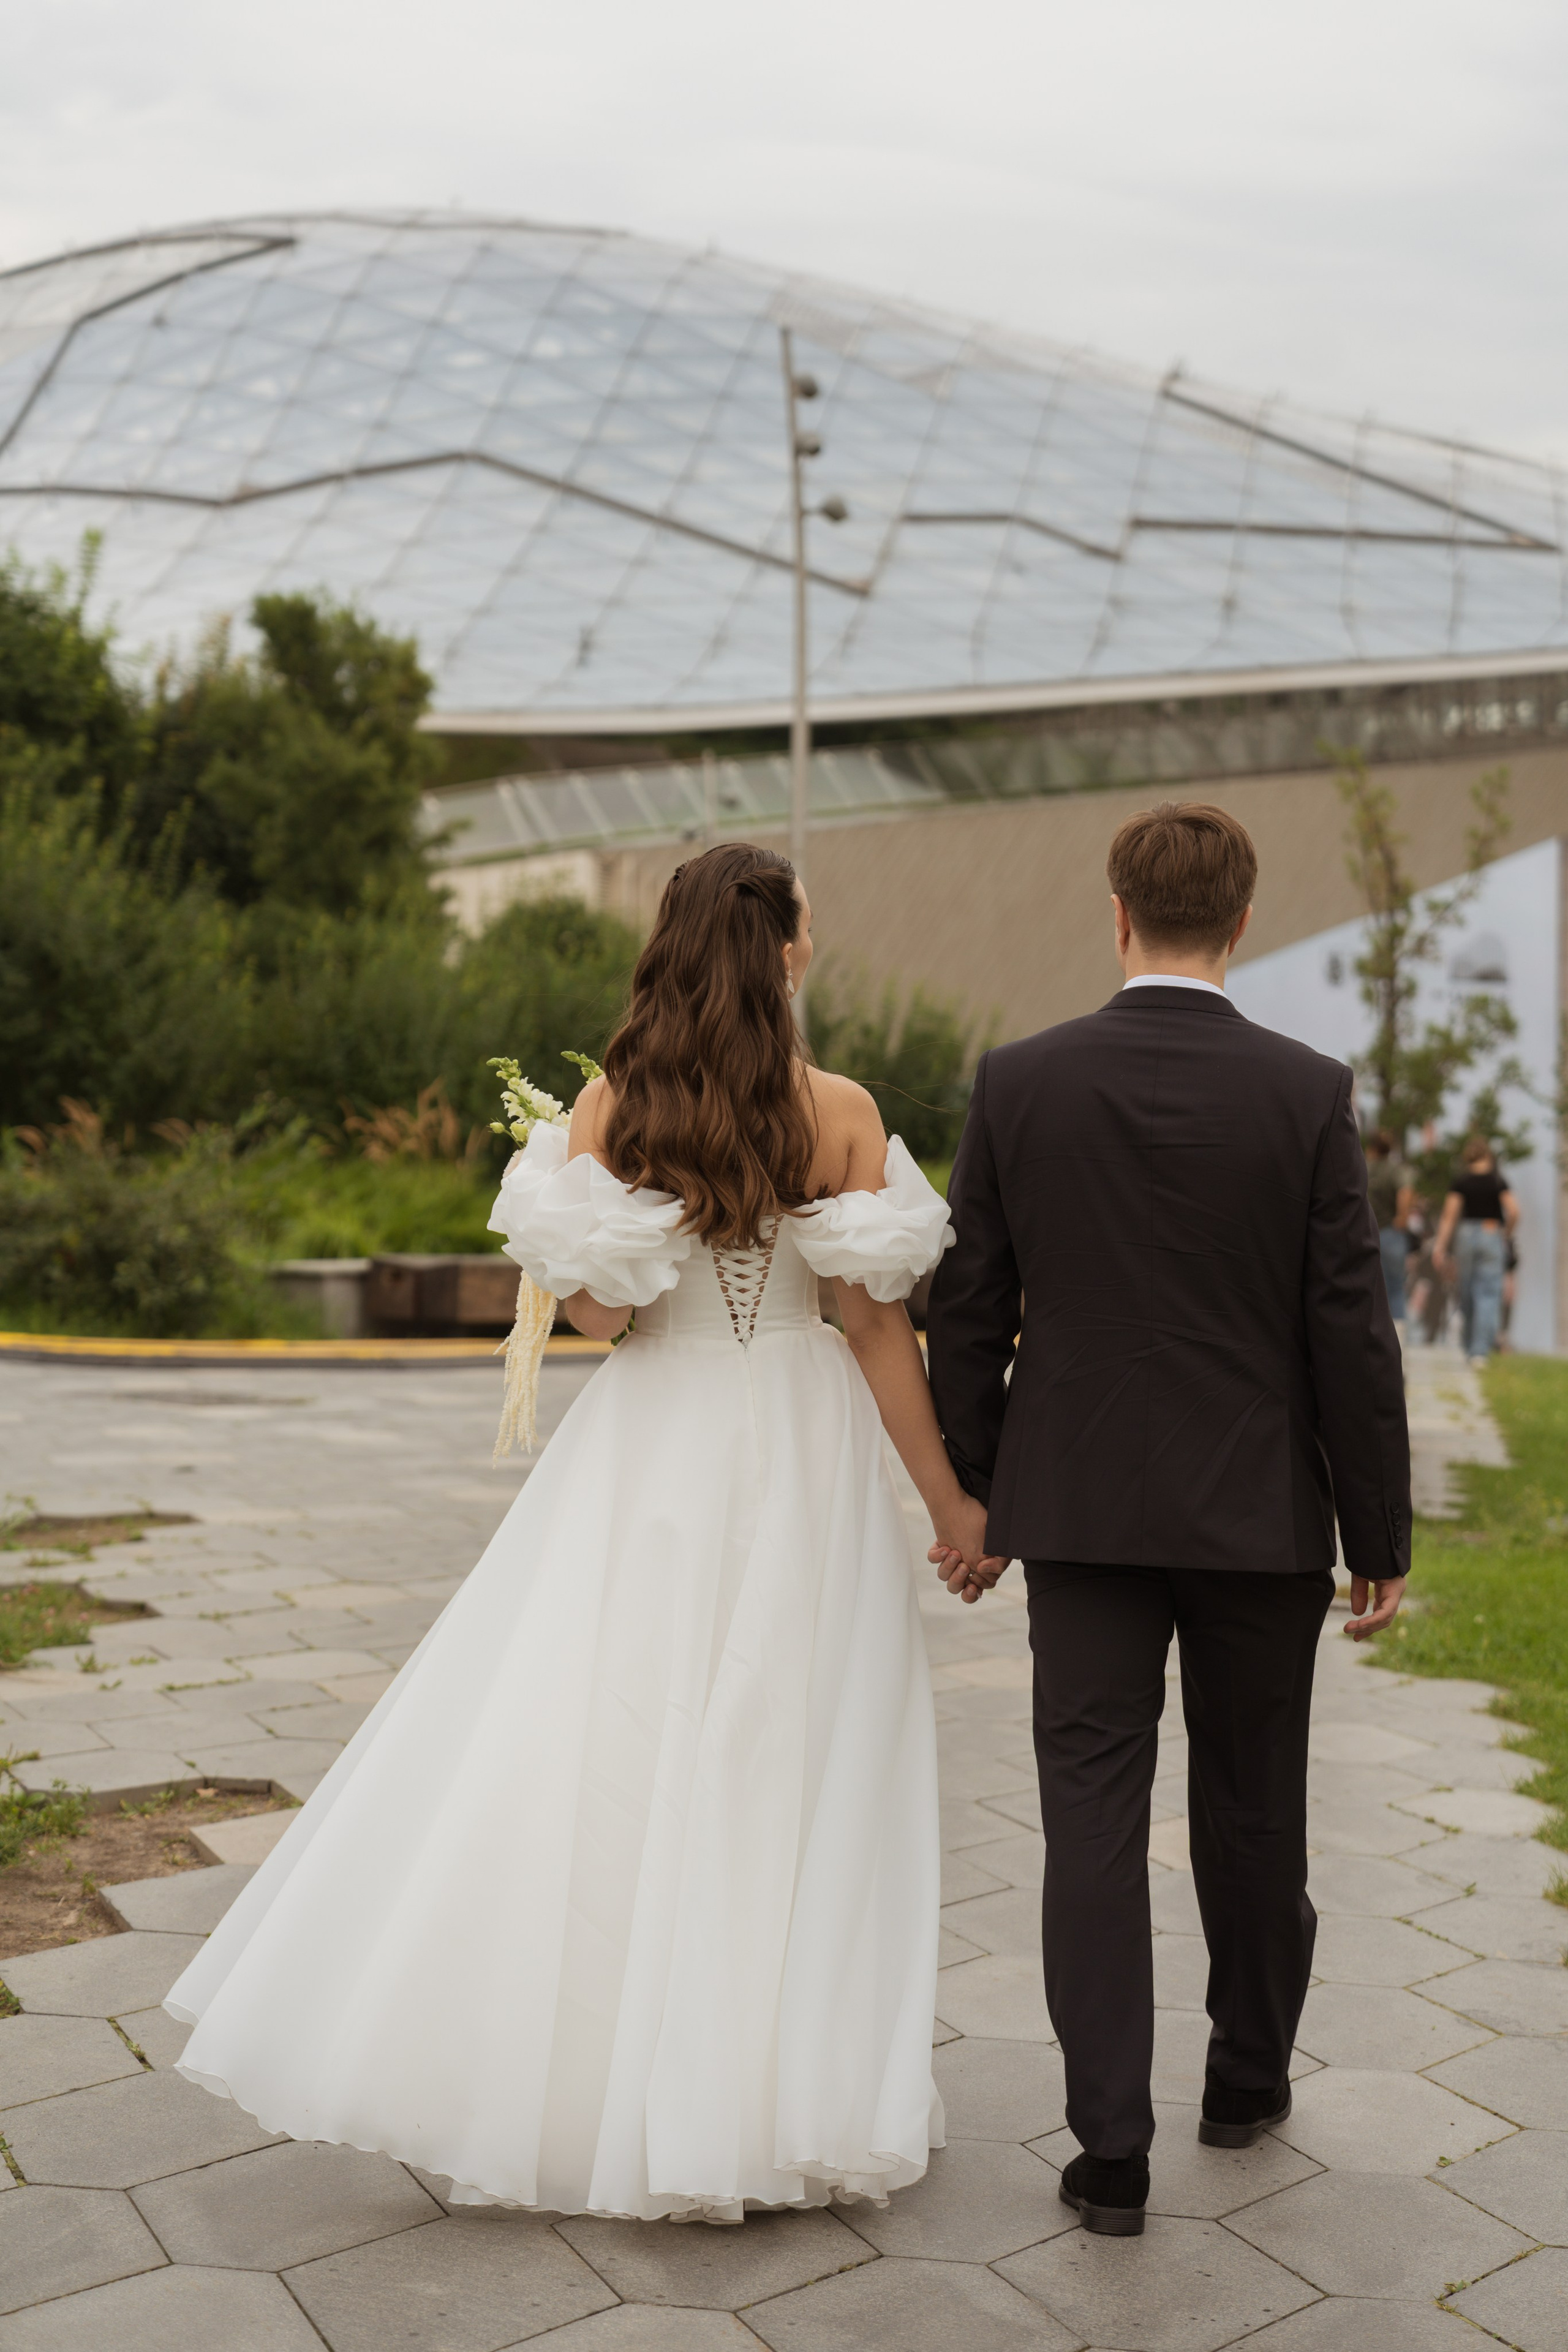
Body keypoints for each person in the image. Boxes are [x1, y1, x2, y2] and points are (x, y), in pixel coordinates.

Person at [165, 842, 986, 2221]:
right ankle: (770, 2091)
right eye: (805, 934)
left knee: (615, 1746)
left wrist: (588, 1204)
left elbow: (603, 1320)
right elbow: (872, 1329)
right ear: (780, 950)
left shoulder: (616, 1106)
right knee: (794, 1754)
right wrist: (950, 1504)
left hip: (653, 1452)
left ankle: (607, 2086)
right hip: (798, 1450)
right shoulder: (839, 1110)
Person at [925, 801, 1411, 2238]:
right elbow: (1347, 1329)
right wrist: (1372, 1527)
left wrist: (982, 1489)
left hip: (1075, 1506)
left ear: (1114, 910)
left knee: (1088, 1813)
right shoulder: (1305, 1090)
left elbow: (966, 1311)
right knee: (1254, 1804)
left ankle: (1108, 2147)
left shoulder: (1019, 1080)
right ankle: (1242, 2080)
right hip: (1258, 1510)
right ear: (1242, 921)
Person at [1433, 1135, 1517, 1365]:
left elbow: (1450, 1217)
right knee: (1488, 1293)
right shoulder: (1497, 1181)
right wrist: (1505, 1233)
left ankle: (1469, 1346)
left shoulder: (1462, 1181)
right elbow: (1515, 1211)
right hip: (1492, 1233)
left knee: (1467, 1290)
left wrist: (1440, 1247)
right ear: (1488, 1156)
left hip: (1466, 1235)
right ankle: (1480, 1352)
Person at [1365, 1129, 1415, 1327]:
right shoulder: (1395, 1170)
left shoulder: (1363, 1168)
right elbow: (1406, 1191)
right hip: (1391, 1233)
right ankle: (1399, 1339)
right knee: (1395, 1288)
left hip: (1366, 1233)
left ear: (1371, 1148)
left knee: (1369, 1287)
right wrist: (1403, 1217)